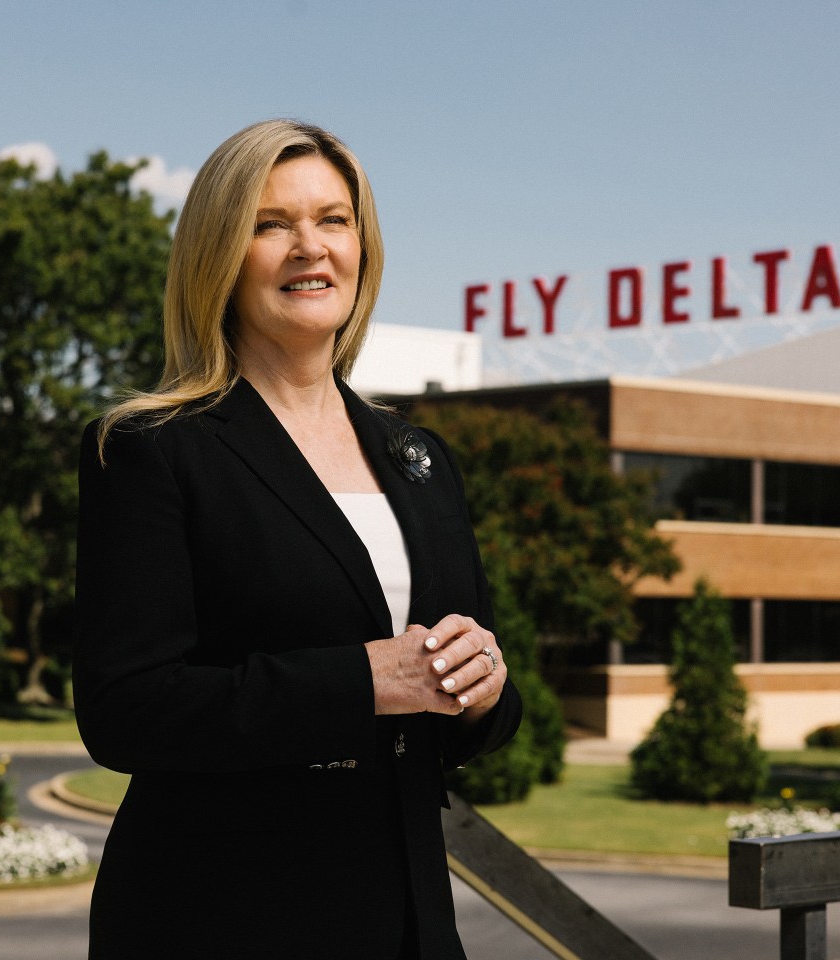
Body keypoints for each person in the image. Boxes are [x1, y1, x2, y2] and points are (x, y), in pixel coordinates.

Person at [75, 119, 522, 960]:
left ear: (362, 246)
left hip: (409, 920)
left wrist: (484, 691)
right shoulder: (153, 449)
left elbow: (455, 709)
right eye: (271, 224)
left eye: (333, 220)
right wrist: (362, 680)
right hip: (220, 917)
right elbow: (124, 712)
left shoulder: (420, 457)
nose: (310, 247)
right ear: (219, 254)